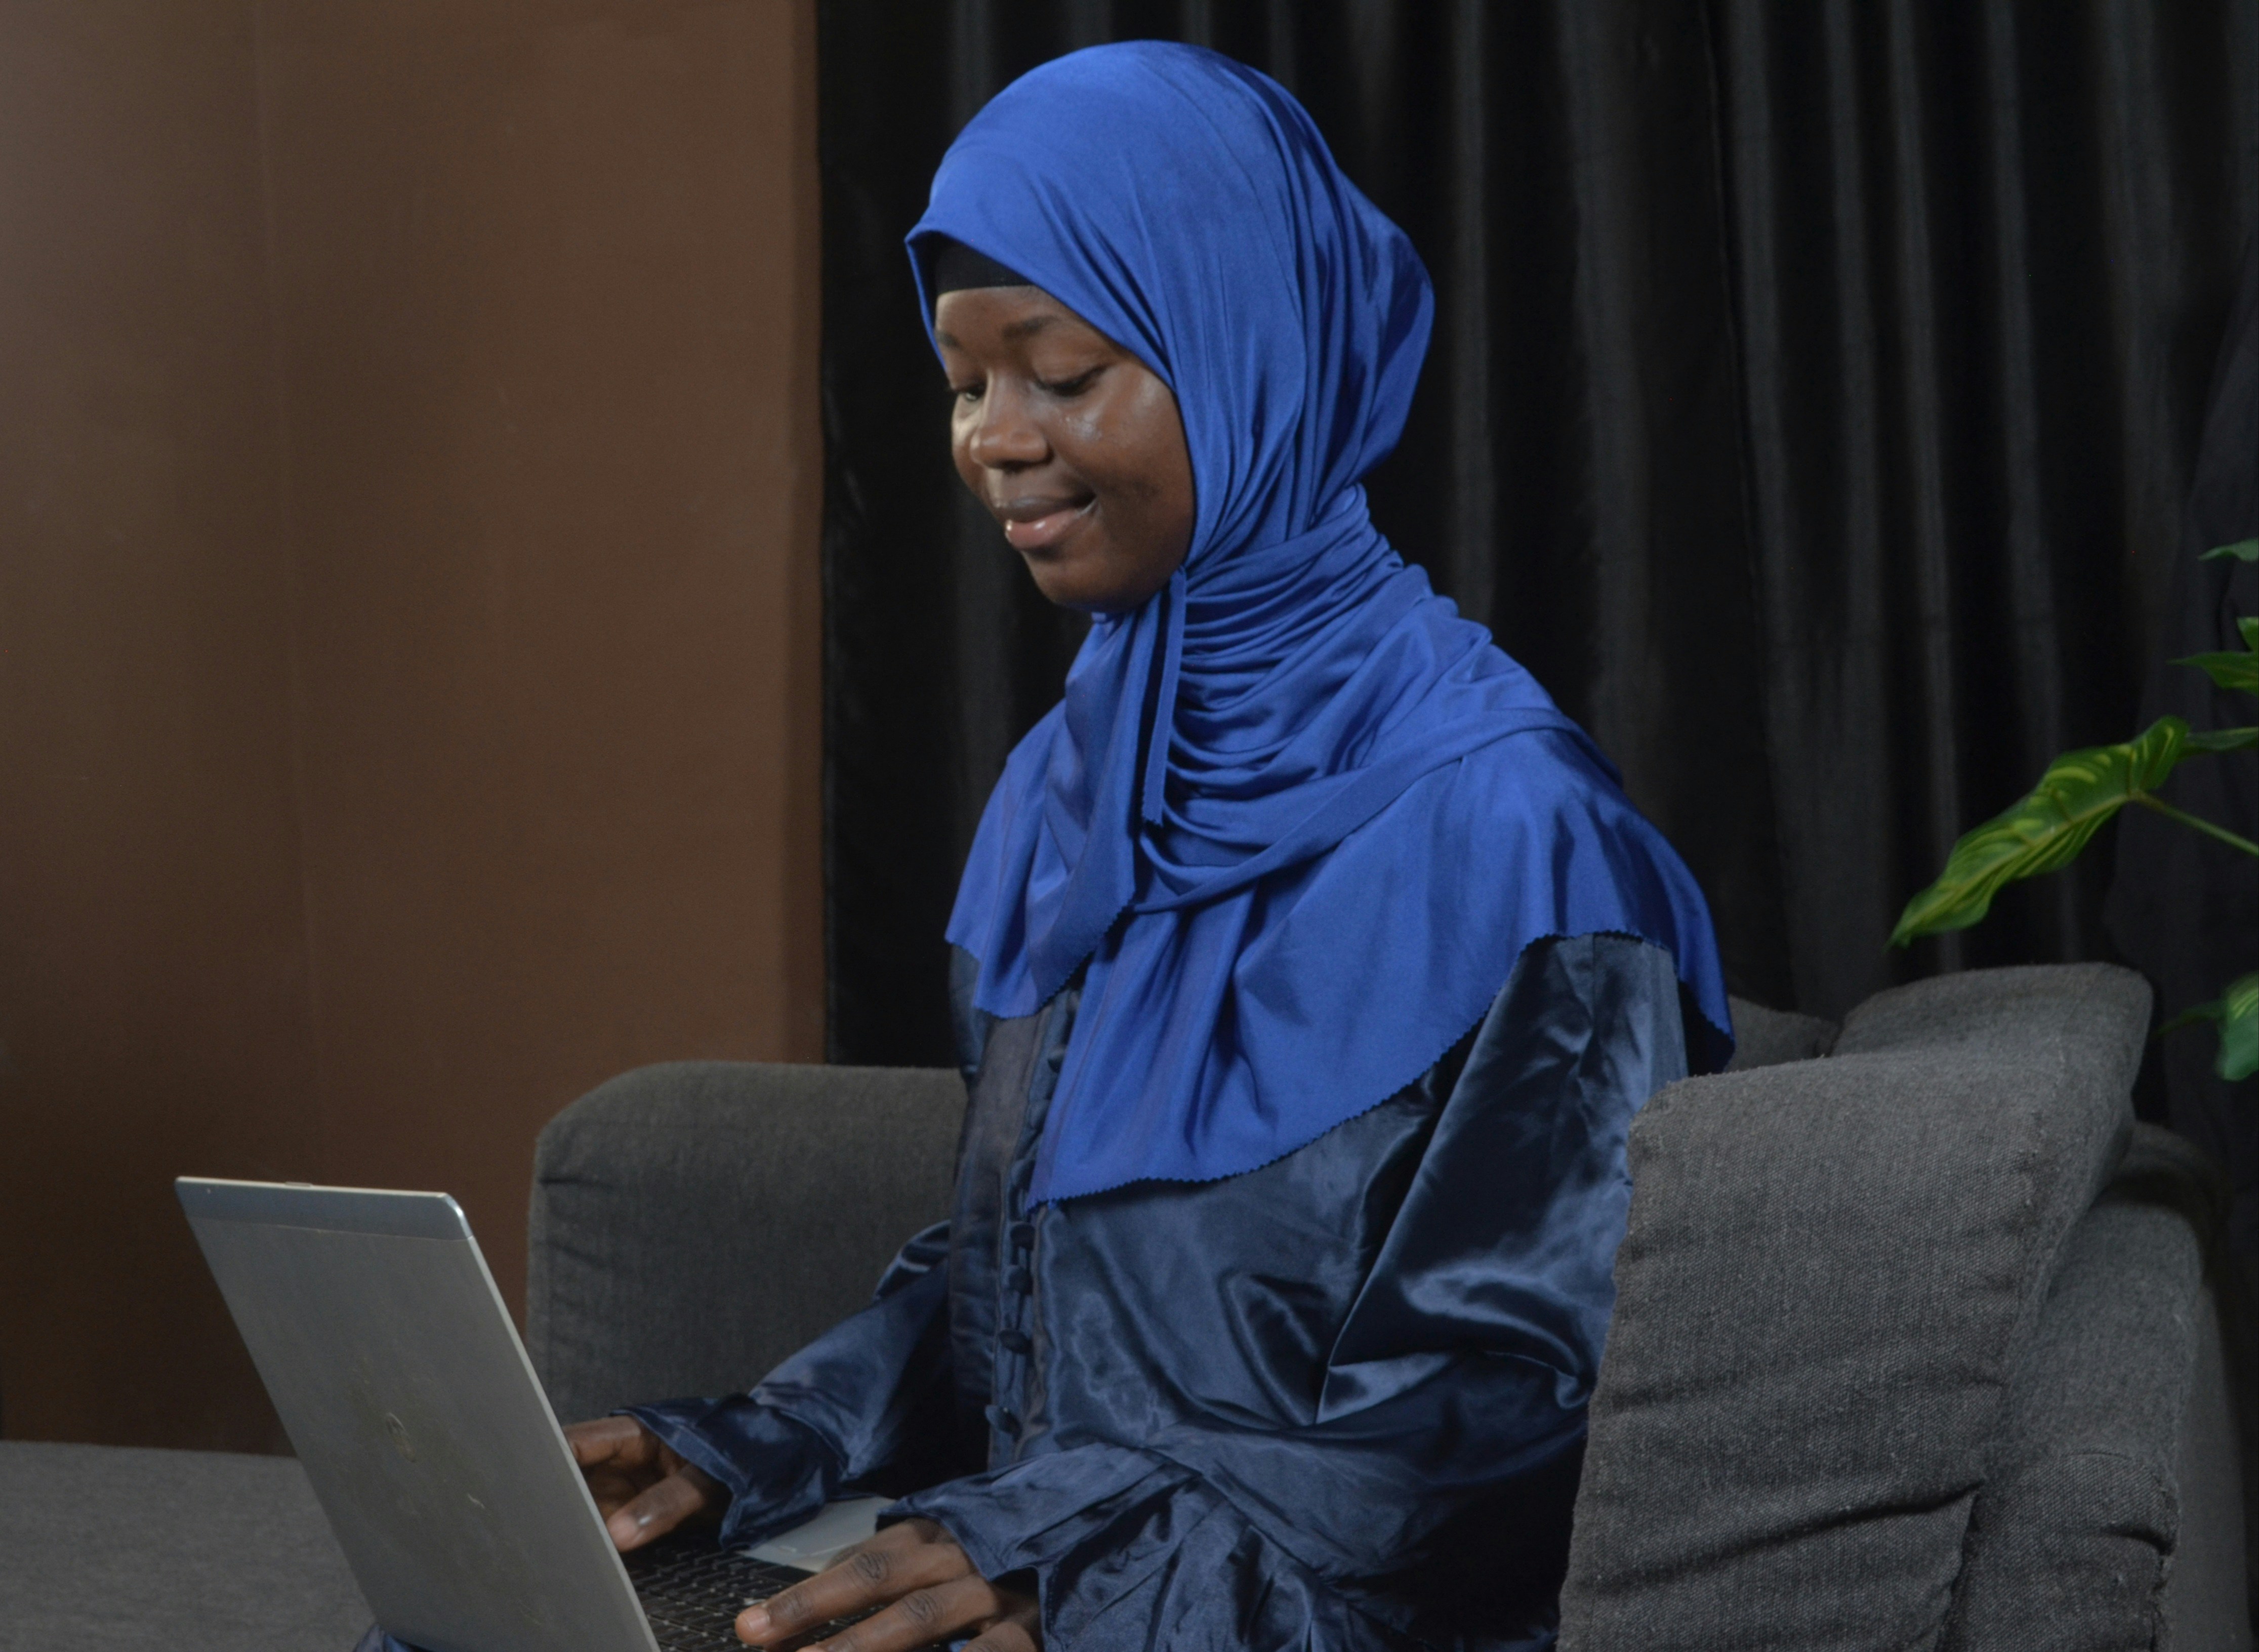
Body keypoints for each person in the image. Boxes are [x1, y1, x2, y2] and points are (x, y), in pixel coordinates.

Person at [371, 39, 1732, 1652]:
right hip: (1026, 1577)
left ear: (1251, 357)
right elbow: (1004, 1279)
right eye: (964, 383)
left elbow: (1514, 1425)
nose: (991, 442)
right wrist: (747, 1447)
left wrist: (1082, 1563)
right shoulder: (1065, 791)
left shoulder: (1526, 838)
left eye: (1062, 372)